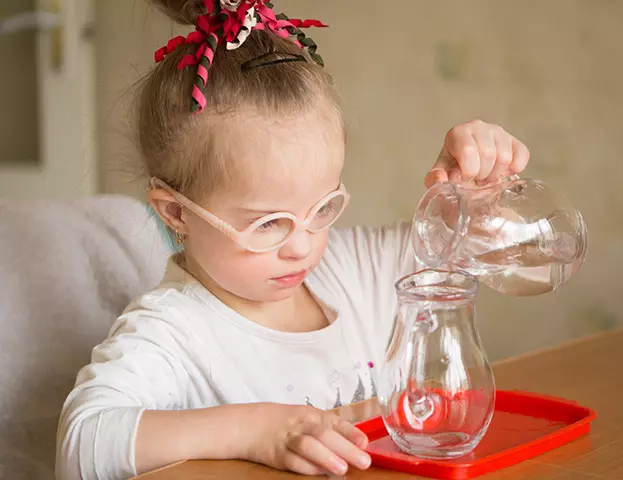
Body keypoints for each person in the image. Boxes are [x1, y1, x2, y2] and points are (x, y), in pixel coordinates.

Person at [55, 1, 530, 478]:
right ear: (177, 213)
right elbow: (80, 445)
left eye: (322, 209)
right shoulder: (171, 331)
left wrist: (472, 195)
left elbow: (483, 247)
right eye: (268, 223)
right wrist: (248, 429)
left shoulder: (352, 269)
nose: (302, 246)